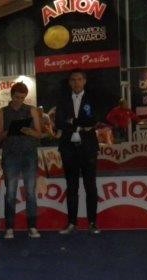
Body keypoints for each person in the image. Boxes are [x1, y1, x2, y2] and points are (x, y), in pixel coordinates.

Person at [55, 69, 101, 235]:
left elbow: (94, 120)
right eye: (73, 80)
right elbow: (58, 122)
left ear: (85, 81)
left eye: (79, 79)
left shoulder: (92, 98)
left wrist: (72, 121)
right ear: (69, 82)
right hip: (68, 148)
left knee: (91, 186)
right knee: (71, 187)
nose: (76, 82)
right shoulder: (62, 100)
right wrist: (80, 123)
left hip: (88, 148)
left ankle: (93, 222)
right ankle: (71, 223)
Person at [0, 82, 42, 239]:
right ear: (11, 95)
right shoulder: (3, 112)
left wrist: (29, 131)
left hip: (29, 154)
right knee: (10, 192)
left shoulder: (31, 110)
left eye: (22, 98)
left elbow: (39, 134)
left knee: (30, 192)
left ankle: (32, 226)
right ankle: (9, 227)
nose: (19, 100)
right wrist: (10, 130)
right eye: (16, 97)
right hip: (10, 155)